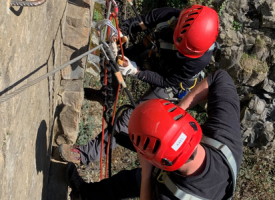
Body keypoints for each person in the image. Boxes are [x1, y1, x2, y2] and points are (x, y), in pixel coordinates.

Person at [59, 5, 220, 166]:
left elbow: (166, 81)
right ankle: (106, 95)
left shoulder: (199, 60)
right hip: (156, 56)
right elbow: (142, 22)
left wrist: (136, 71)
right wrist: (119, 33)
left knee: (130, 117)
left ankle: (84, 154)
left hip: (170, 84)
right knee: (113, 57)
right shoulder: (170, 14)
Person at [65, 69, 243, 200]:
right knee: (127, 181)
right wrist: (177, 112)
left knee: (140, 179)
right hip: (175, 177)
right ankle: (85, 194)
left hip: (179, 192)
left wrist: (147, 174)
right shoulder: (225, 135)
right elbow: (219, 78)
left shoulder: (169, 196)